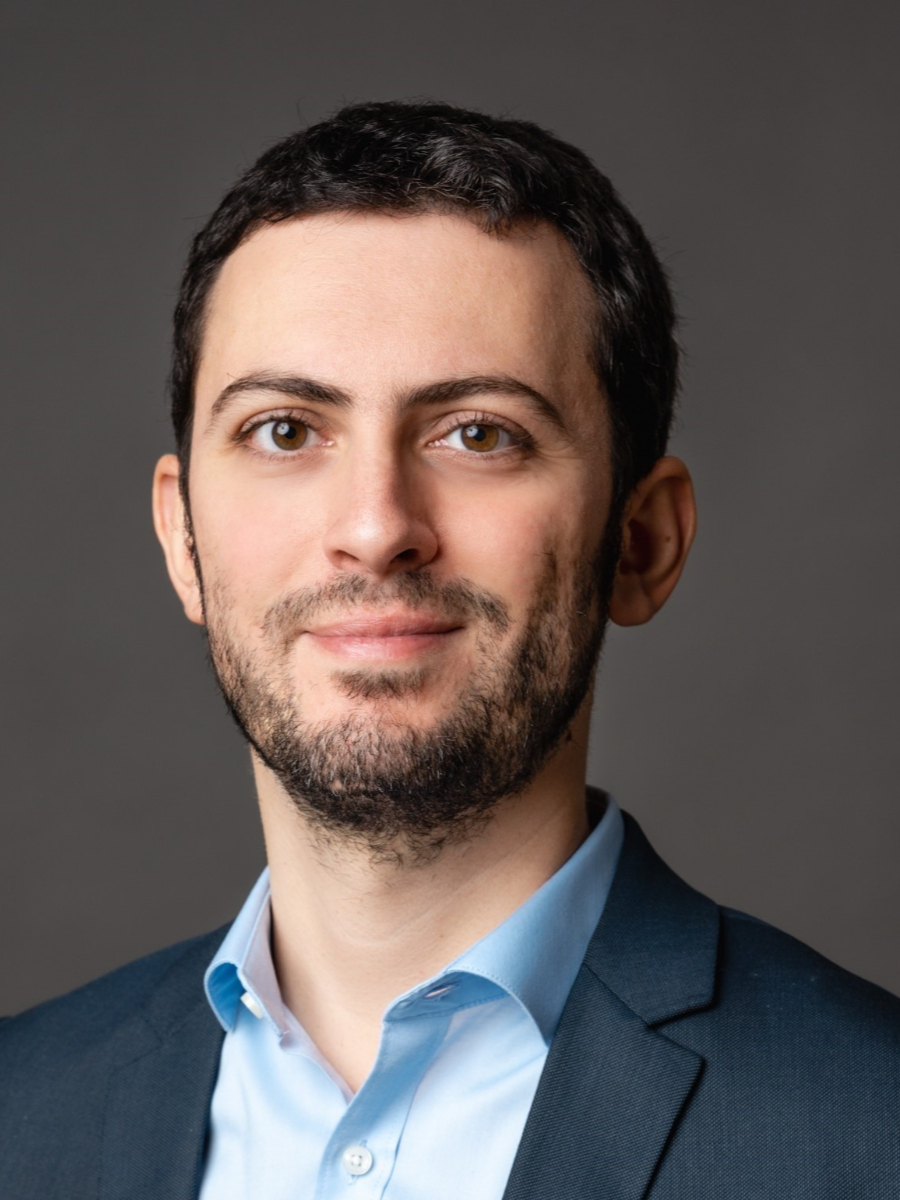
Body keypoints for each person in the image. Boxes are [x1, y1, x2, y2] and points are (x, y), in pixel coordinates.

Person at [1, 100, 897, 1199]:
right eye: (286, 430)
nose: (377, 526)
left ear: (642, 542)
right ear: (182, 539)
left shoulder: (871, 1129)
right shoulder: (21, 1113)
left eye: (479, 433)